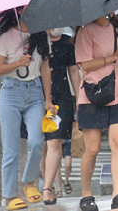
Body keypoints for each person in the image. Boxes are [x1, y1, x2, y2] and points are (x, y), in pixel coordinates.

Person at [0, 8, 56, 210]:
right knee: (11, 149)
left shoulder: (41, 36)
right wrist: (17, 63)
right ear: (19, 12)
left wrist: (48, 99)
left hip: (35, 92)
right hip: (11, 92)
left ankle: (29, 182)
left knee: (37, 141)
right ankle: (10, 196)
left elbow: (45, 69)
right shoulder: (6, 36)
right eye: (25, 8)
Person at [73, 14, 118, 211]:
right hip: (92, 95)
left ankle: (117, 195)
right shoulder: (85, 31)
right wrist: (113, 57)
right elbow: (85, 65)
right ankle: (86, 195)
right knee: (92, 149)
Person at [39, 28, 80, 204]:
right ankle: (50, 184)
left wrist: (79, 97)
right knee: (42, 145)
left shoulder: (67, 42)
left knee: (55, 141)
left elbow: (73, 71)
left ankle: (47, 187)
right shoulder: (37, 41)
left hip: (61, 97)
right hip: (37, 96)